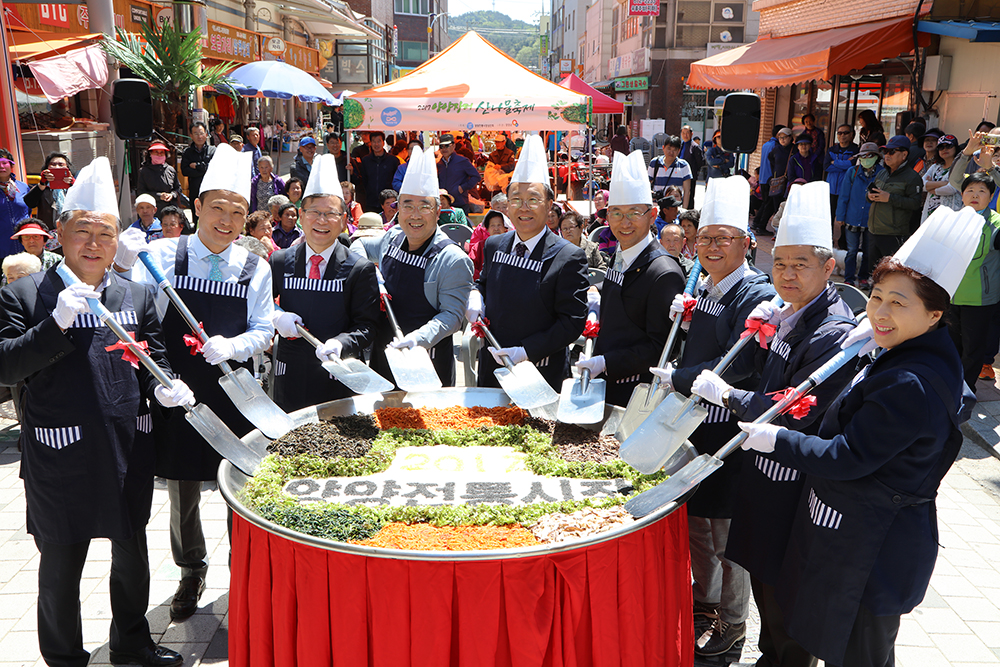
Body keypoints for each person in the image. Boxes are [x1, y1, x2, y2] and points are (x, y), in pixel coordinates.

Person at [737, 205, 981, 667]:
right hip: (857, 536)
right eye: (877, 297)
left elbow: (847, 457)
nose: (881, 313)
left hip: (876, 549)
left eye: (899, 303)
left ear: (935, 315)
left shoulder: (911, 380)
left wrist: (776, 440)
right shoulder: (910, 352)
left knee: (863, 655)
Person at [0, 156, 190, 667]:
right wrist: (53, 325)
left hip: (126, 446)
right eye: (81, 230)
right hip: (59, 452)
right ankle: (63, 658)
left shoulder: (137, 293)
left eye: (105, 233)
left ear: (118, 241)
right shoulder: (23, 293)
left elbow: (156, 356)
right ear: (58, 233)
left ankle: (131, 643)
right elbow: (5, 365)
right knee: (61, 562)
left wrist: (168, 389)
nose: (93, 243)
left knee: (132, 554)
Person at [693, 181, 857, 667]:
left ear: (828, 268)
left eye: (800, 264)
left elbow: (796, 404)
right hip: (763, 473)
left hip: (794, 482)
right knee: (765, 581)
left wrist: (730, 395)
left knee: (788, 595)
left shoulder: (832, 330)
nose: (786, 274)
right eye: (779, 263)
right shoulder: (787, 314)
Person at [113, 144, 275, 624]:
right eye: (217, 208)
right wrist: (122, 261)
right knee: (182, 489)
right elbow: (122, 293)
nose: (226, 220)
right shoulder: (163, 253)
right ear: (197, 207)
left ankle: (241, 574)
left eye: (238, 211)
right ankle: (190, 570)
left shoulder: (255, 267)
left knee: (239, 486)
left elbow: (263, 331)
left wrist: (235, 345)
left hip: (231, 393)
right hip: (177, 393)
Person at [652, 175, 776, 658]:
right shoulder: (701, 284)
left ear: (746, 243)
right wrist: (682, 324)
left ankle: (734, 622)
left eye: (723, 238)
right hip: (692, 425)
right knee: (697, 521)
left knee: (725, 531)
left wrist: (677, 376)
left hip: (729, 432)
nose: (711, 246)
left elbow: (739, 362)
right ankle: (703, 603)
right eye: (703, 238)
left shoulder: (754, 292)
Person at [466, 134, 589, 391]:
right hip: (493, 364)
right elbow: (483, 283)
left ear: (549, 205)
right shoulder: (494, 244)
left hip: (541, 370)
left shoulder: (568, 256)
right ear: (506, 206)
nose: (524, 208)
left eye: (533, 199)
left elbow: (572, 322)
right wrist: (475, 295)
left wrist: (525, 351)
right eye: (516, 200)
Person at [353, 145, 474, 386]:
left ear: (438, 211)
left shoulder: (452, 258)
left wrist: (416, 340)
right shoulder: (393, 237)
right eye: (407, 206)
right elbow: (360, 246)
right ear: (397, 210)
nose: (415, 215)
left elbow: (451, 316)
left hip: (426, 359)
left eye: (424, 206)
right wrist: (371, 272)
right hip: (384, 353)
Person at [269, 154, 379, 411]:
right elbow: (260, 306)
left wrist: (341, 342)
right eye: (314, 212)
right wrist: (275, 316)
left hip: (337, 374)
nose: (321, 220)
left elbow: (367, 327)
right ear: (300, 216)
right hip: (289, 374)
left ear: (343, 221)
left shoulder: (359, 268)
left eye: (330, 214)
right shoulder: (279, 261)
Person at [576, 150, 684, 407]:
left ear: (653, 214)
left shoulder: (664, 272)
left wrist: (606, 362)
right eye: (616, 213)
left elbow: (661, 347)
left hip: (635, 393)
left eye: (634, 213)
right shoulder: (620, 254)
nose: (624, 223)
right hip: (605, 384)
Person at [947, 172, 1000, 389]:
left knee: (973, 349)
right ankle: (950, 384)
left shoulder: (996, 224)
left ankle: (965, 389)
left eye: (981, 191)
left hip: (980, 298)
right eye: (970, 190)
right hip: (950, 295)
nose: (975, 195)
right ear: (961, 195)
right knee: (951, 344)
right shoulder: (951, 220)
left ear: (991, 196)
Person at [866, 135, 923, 268]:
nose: (887, 155)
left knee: (891, 274)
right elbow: (869, 196)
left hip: (893, 235)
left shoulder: (912, 177)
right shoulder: (882, 173)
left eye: (892, 152)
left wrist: (890, 198)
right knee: (873, 274)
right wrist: (869, 196)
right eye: (885, 151)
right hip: (874, 232)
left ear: (904, 155)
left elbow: (915, 204)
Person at [836, 142, 884, 287]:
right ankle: (849, 278)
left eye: (870, 155)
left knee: (868, 252)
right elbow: (844, 196)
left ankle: (863, 277)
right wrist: (840, 216)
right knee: (852, 251)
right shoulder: (852, 172)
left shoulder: (882, 173)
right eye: (863, 156)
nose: (866, 158)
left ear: (876, 157)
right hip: (852, 217)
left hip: (871, 219)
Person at [23, 152, 74, 230]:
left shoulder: (73, 187)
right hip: (48, 233)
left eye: (61, 165)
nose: (56, 167)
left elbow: (86, 201)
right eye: (53, 164)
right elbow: (29, 203)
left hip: (70, 231)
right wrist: (42, 183)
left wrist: (73, 184)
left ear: (67, 168)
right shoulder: (42, 187)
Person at [2, 218, 60, 286]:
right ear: (22, 241)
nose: (31, 241)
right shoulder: (13, 263)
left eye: (36, 236)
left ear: (44, 240)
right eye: (26, 237)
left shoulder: (56, 260)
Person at [920, 134, 962, 224]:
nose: (944, 149)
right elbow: (921, 185)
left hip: (949, 215)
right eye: (941, 147)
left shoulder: (959, 167)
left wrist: (931, 188)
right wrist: (943, 183)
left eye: (948, 146)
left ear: (956, 148)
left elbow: (951, 189)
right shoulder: (935, 166)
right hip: (929, 215)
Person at [356, 131, 401, 214]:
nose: (376, 144)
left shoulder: (393, 160)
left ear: (383, 143)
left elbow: (395, 180)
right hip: (371, 202)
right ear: (370, 143)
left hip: (389, 202)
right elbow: (364, 180)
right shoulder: (366, 160)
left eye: (379, 141)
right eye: (374, 141)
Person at [437, 133, 482, 214]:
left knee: (460, 226)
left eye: (447, 145)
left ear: (453, 146)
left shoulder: (462, 161)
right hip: (444, 205)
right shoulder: (439, 164)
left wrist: (462, 188)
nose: (444, 149)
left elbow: (476, 176)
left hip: (460, 203)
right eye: (441, 146)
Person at [752, 126, 785, 234]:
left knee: (766, 203)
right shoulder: (776, 146)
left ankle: (757, 223)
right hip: (771, 179)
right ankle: (760, 226)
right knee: (769, 204)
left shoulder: (766, 144)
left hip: (763, 178)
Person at [180, 122, 215, 223]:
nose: (199, 136)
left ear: (206, 134)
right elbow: (185, 171)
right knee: (196, 218)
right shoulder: (187, 152)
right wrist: (204, 170)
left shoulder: (213, 150)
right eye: (196, 133)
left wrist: (197, 166)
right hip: (194, 190)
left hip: (210, 191)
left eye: (201, 133)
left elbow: (213, 169)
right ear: (191, 136)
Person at [135, 141, 181, 217]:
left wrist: (172, 195)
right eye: (156, 152)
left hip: (170, 210)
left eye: (161, 152)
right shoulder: (144, 171)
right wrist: (159, 196)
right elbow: (141, 192)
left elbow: (178, 188)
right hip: (152, 212)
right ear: (150, 154)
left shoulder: (171, 170)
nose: (159, 155)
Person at [0, 153, 31, 262]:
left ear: (11, 165)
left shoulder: (23, 187)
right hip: (2, 249)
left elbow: (28, 211)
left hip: (25, 246)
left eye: (4, 163)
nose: (1, 167)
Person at [825, 125, 859, 219]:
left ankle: (843, 235)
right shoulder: (832, 150)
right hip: (831, 189)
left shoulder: (856, 150)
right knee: (829, 217)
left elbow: (854, 167)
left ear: (851, 134)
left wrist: (834, 162)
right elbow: (826, 166)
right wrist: (846, 165)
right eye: (839, 133)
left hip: (847, 188)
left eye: (846, 133)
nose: (842, 135)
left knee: (845, 217)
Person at [648, 135, 693, 203]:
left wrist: (684, 210)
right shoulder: (654, 163)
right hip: (656, 206)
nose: (671, 152)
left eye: (674, 150)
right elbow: (646, 184)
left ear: (679, 151)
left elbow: (687, 191)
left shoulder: (684, 166)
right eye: (669, 148)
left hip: (675, 207)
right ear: (663, 148)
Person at [469, 210, 512, 279]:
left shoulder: (512, 245)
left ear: (505, 228)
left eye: (499, 225)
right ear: (487, 229)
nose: (496, 228)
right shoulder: (479, 246)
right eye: (492, 225)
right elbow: (470, 266)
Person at [680, 125, 704, 208]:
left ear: (691, 134)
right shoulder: (681, 145)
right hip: (679, 175)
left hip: (690, 176)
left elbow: (700, 162)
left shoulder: (695, 147)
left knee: (689, 197)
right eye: (683, 133)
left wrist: (694, 171)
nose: (685, 135)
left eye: (687, 133)